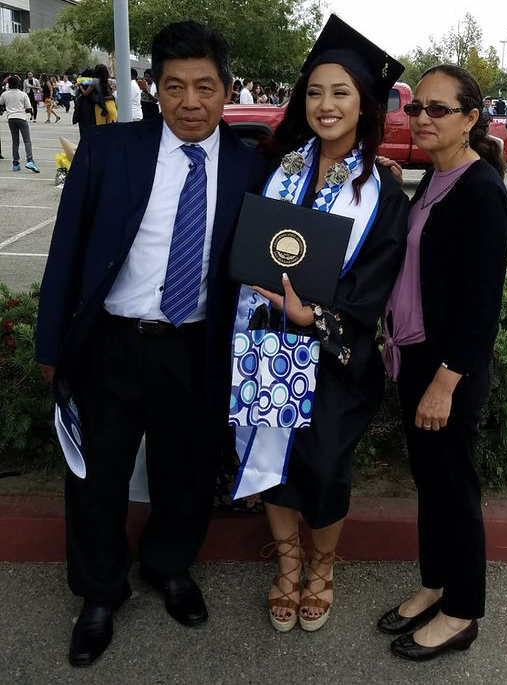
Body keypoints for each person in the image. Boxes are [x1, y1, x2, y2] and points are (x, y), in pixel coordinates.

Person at [35, 20, 268, 668]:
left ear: (226, 90)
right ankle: (100, 592)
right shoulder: (109, 150)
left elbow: (285, 251)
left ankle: (168, 566)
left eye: (203, 86)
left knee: (187, 470)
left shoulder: (252, 167)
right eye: (174, 87)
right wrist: (52, 341)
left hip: (195, 345)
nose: (189, 102)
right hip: (110, 340)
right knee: (95, 475)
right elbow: (67, 252)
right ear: (154, 89)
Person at [231, 14, 408, 633]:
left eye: (341, 93)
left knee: (327, 467)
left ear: (365, 105)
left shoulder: (382, 191)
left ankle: (323, 567)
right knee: (270, 459)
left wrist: (317, 316)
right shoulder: (275, 164)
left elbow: (376, 280)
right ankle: (287, 563)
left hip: (333, 354)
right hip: (264, 342)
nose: (325, 105)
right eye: (314, 91)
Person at [378, 64, 507, 661]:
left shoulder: (482, 191)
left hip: (447, 368)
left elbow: (483, 303)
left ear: (470, 118)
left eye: (438, 109)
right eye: (416, 109)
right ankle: (435, 583)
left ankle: (461, 611)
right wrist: (393, 180)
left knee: (455, 487)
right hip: (414, 356)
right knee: (431, 482)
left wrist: (445, 381)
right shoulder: (435, 178)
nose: (422, 118)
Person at [0, 76, 40, 173]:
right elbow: (28, 108)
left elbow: (1, 104)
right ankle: (30, 160)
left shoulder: (4, 94)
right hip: (21, 118)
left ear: (8, 84)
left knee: (15, 141)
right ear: (18, 84)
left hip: (11, 118)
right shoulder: (23, 94)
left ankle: (16, 163)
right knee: (26, 139)